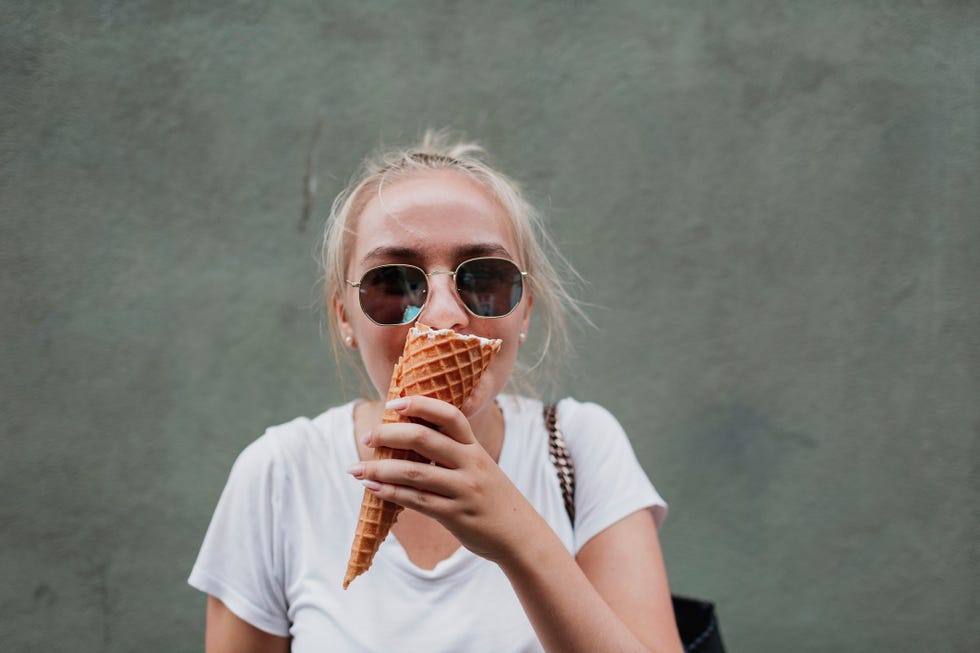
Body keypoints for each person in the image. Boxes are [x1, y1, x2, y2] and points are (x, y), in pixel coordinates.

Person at [188, 131, 684, 652]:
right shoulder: (279, 475)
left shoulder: (582, 448)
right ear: (344, 317)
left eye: (485, 279)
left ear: (526, 310)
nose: (444, 316)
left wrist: (518, 538)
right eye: (394, 283)